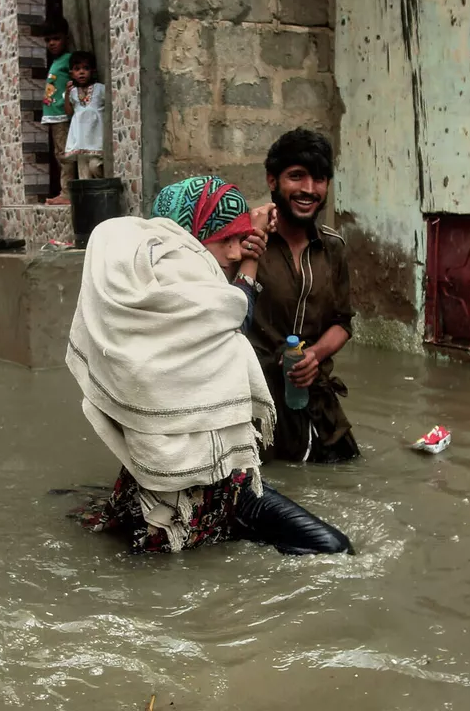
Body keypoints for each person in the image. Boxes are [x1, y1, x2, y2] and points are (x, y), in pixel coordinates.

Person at [68, 176, 351, 555]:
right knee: (334, 548)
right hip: (223, 492)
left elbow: (228, 310)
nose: (235, 252)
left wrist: (244, 256)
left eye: (240, 239)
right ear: (184, 241)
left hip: (160, 485)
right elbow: (236, 311)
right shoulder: (195, 301)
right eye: (225, 240)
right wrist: (251, 260)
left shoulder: (148, 304)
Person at [246, 129, 359, 463]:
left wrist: (314, 356)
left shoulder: (332, 247)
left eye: (319, 179)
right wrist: (248, 245)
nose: (309, 189)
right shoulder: (248, 241)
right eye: (297, 177)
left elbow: (343, 322)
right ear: (272, 180)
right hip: (253, 403)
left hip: (313, 399)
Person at [37, 18, 75, 205]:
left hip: (62, 114)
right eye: (48, 40)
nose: (51, 43)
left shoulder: (68, 60)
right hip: (54, 116)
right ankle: (67, 191)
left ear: (66, 38)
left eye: (56, 39)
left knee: (65, 154)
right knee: (60, 153)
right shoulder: (57, 61)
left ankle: (67, 193)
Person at [62, 52, 105, 180]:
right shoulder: (73, 92)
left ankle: (101, 194)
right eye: (77, 69)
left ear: (93, 71)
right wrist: (67, 94)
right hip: (80, 140)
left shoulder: (100, 89)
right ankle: (87, 199)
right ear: (71, 73)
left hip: (96, 140)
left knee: (95, 166)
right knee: (83, 175)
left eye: (85, 68)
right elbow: (69, 112)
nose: (81, 72)